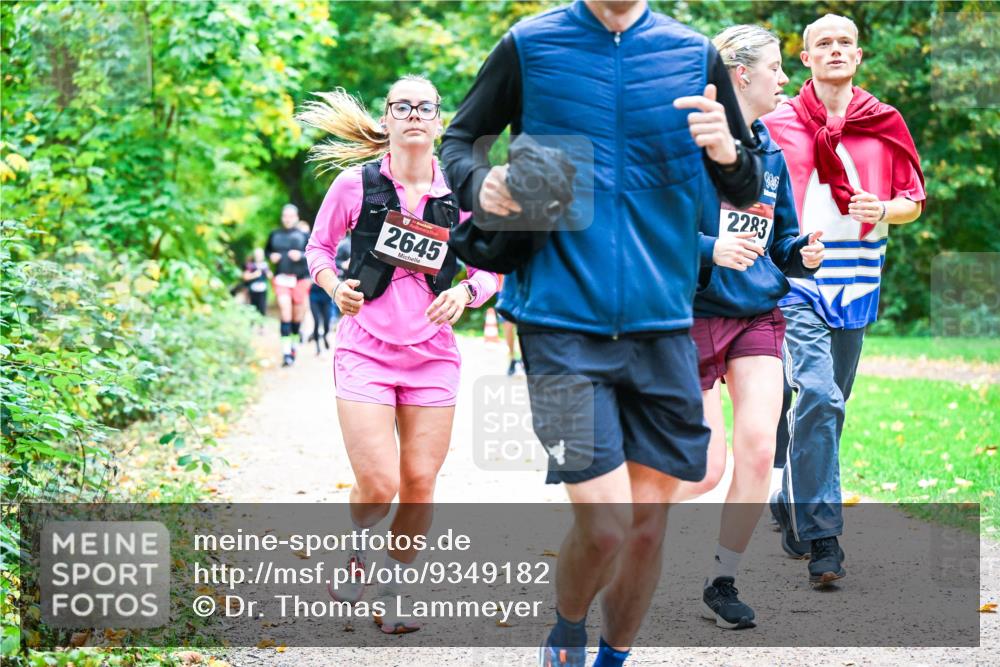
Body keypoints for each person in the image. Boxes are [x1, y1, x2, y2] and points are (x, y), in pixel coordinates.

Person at [440, 2, 764, 664]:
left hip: (663, 326)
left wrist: (728, 151)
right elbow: (460, 139)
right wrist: (482, 182)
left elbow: (747, 178)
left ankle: (613, 655)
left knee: (647, 529)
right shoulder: (531, 45)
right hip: (558, 323)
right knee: (609, 525)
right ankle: (565, 629)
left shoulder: (691, 52)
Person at [300, 76, 500, 634]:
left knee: (418, 482)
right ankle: (359, 547)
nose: (414, 114)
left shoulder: (462, 192)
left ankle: (392, 588)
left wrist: (467, 292)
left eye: (425, 107)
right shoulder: (354, 185)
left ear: (439, 122)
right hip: (365, 349)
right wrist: (331, 284)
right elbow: (317, 248)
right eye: (402, 106)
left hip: (433, 356)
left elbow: (493, 266)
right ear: (387, 120)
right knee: (381, 480)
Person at [663, 25, 825, 629]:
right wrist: (711, 248)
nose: (786, 79)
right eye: (778, 67)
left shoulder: (771, 152)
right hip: (693, 315)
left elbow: (776, 240)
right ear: (740, 74)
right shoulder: (688, 144)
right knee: (704, 469)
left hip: (758, 311)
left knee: (759, 450)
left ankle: (722, 578)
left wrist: (798, 252)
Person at [762, 13, 925, 585]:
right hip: (796, 281)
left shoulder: (885, 122)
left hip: (859, 280)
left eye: (845, 43)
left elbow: (912, 201)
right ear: (805, 58)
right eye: (822, 44)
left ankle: (790, 493)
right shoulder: (775, 122)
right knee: (820, 397)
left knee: (827, 407)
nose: (835, 50)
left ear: (858, 56)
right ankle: (825, 539)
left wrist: (883, 209)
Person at [265, 204, 311, 366]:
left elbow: (314, 253)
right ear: (282, 217)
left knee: (296, 316)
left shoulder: (304, 235)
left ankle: (293, 346)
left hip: (300, 278)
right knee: (285, 312)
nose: (288, 219)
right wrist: (271, 257)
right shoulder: (274, 235)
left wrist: (300, 255)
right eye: (285, 216)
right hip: (281, 278)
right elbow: (267, 251)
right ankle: (286, 352)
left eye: (291, 216)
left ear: (296, 217)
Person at [242, 248, 271, 319]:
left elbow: (270, 276)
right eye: (257, 255)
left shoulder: (265, 265)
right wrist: (254, 275)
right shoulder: (251, 266)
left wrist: (266, 273)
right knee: (252, 307)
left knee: (262, 307)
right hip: (253, 290)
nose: (259, 257)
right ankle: (252, 323)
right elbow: (245, 276)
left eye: (260, 255)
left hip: (262, 289)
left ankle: (261, 326)